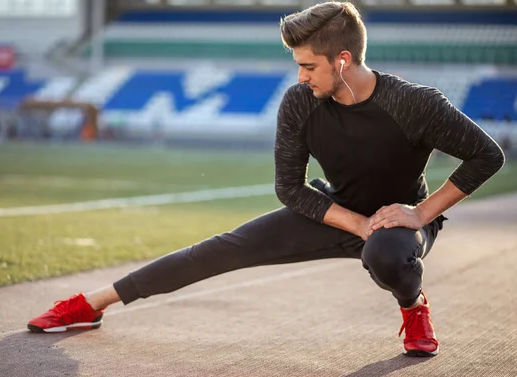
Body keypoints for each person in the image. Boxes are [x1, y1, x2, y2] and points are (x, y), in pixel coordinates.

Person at [27, 1, 505, 357]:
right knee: (219, 247)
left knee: (388, 252)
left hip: (400, 224)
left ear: (341, 60)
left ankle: (413, 304)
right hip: (334, 211)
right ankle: (92, 304)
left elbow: (487, 155)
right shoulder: (300, 102)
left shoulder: (414, 103)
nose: (299, 77)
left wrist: (420, 213)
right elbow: (289, 188)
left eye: (308, 66)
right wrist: (355, 223)